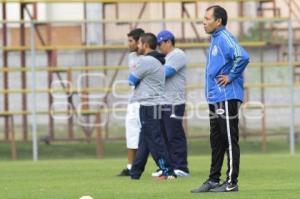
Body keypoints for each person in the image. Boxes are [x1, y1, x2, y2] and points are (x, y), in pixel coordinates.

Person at [191, 5, 249, 193]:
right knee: (216, 139)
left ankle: (231, 182)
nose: (203, 22)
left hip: (226, 96)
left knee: (229, 139)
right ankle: (213, 180)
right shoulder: (215, 40)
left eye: (207, 18)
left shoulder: (224, 38)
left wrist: (230, 77)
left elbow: (242, 56)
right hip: (216, 97)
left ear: (218, 21)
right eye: (204, 18)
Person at [128, 33, 176, 180]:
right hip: (153, 104)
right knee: (145, 140)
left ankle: (168, 172)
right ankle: (135, 173)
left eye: (139, 44)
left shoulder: (146, 60)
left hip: (149, 105)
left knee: (155, 140)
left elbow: (131, 80)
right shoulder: (156, 60)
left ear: (145, 45)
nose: (137, 46)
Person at [151, 30, 189, 177]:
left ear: (168, 41)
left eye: (160, 44)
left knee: (174, 134)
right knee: (163, 135)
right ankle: (168, 167)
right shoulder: (164, 57)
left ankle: (181, 167)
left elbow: (165, 73)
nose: (159, 47)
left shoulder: (177, 55)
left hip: (174, 102)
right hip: (162, 101)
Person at [118, 28, 145, 176]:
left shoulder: (147, 58)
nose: (128, 44)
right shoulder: (131, 56)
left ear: (139, 42)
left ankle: (163, 166)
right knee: (131, 133)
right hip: (133, 100)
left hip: (145, 101)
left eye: (131, 41)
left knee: (150, 135)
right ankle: (130, 167)